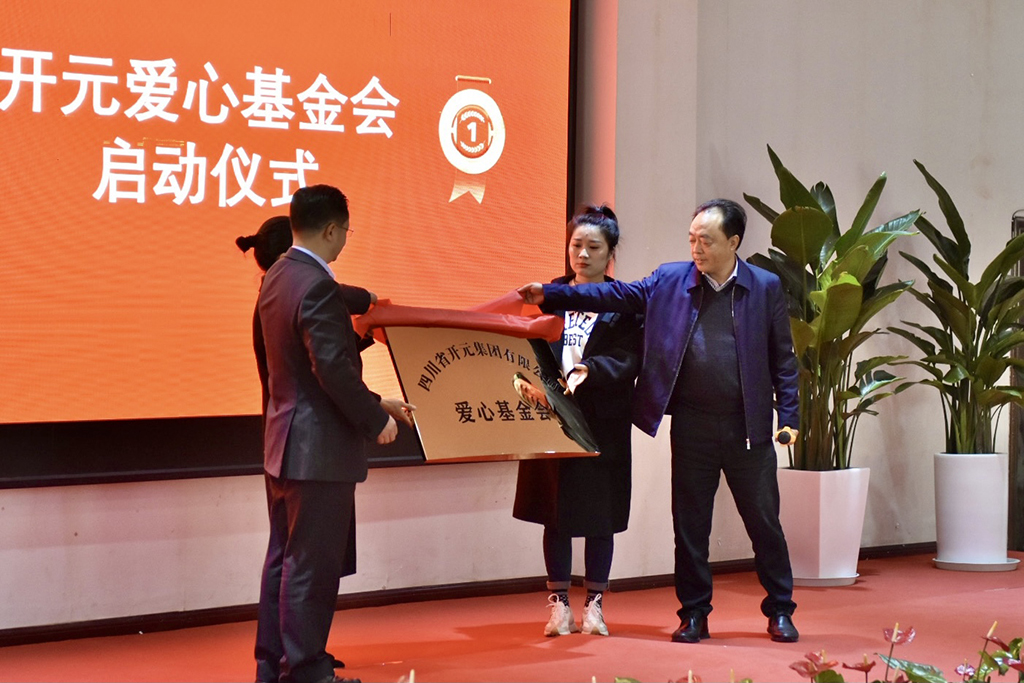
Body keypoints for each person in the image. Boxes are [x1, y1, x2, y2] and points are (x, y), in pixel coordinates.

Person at [518, 198, 801, 644]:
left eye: (706, 240)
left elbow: (783, 358)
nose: (696, 248)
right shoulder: (671, 280)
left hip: (747, 428)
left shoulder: (764, 287)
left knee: (764, 523)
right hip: (692, 425)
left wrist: (789, 415)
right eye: (692, 239)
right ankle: (694, 614)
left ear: (733, 242)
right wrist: (551, 294)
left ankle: (780, 610)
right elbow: (614, 295)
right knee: (689, 526)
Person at [252, 185, 415, 683]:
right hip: (318, 450)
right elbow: (332, 370)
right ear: (331, 229)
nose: (345, 238)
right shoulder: (317, 284)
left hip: (284, 445)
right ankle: (307, 671)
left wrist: (377, 401)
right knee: (311, 567)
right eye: (346, 230)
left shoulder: (278, 275)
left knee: (284, 561)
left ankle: (273, 664)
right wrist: (375, 420)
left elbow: (306, 368)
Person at [512, 206, 642, 638]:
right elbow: (523, 349)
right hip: (552, 418)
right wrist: (531, 383)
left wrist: (593, 369)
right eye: (576, 246)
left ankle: (595, 607)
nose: (582, 255)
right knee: (555, 513)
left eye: (593, 247)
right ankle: (560, 607)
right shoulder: (547, 297)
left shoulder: (625, 302)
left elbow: (630, 358)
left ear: (610, 253)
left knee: (600, 515)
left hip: (603, 419)